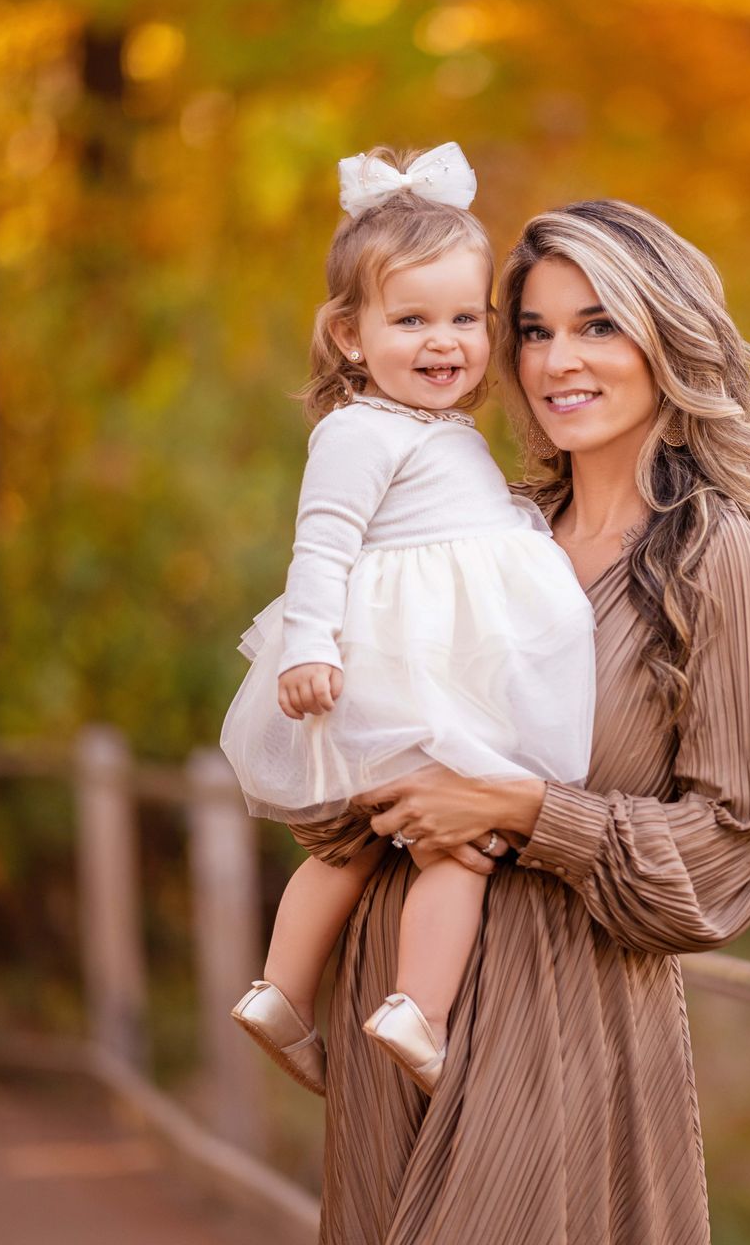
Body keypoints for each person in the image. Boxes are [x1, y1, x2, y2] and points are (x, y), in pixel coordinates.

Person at [318, 199, 750, 1243]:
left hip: (563, 1033)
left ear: (664, 336)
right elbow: (352, 754)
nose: (555, 360)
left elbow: (732, 853)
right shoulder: (489, 527)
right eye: (533, 329)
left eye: (597, 325)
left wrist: (529, 808)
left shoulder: (723, 563)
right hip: (388, 1010)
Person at [219, 144, 595, 1097]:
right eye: (412, 319)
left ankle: (282, 993)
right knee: (459, 845)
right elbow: (321, 546)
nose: (445, 342)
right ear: (350, 337)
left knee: (354, 843)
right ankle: (417, 1012)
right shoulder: (357, 431)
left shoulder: (439, 432)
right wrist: (306, 645)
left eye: (466, 318)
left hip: (431, 663)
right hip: (396, 668)